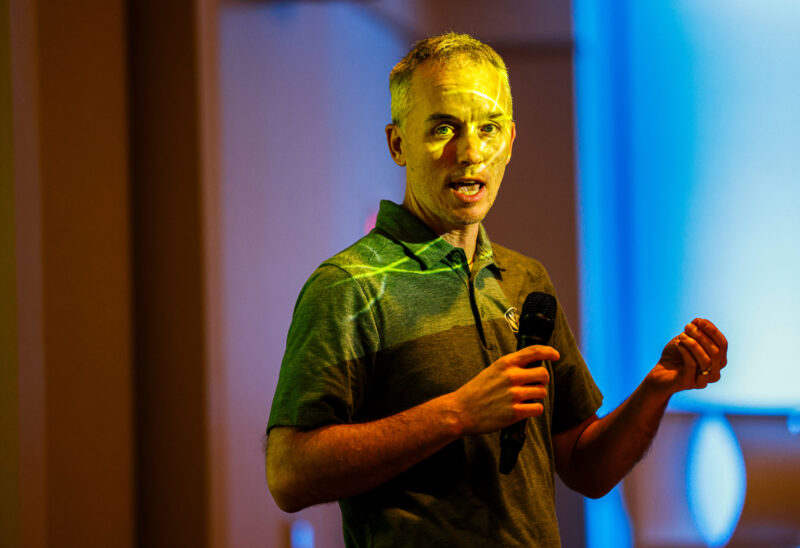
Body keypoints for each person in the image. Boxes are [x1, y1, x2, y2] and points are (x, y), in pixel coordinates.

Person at [265, 33, 728, 547]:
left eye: (487, 129)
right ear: (398, 143)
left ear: (509, 141)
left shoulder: (525, 279)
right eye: (443, 128)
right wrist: (455, 414)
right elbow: (289, 474)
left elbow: (585, 467)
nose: (469, 153)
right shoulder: (348, 286)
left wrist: (658, 387)